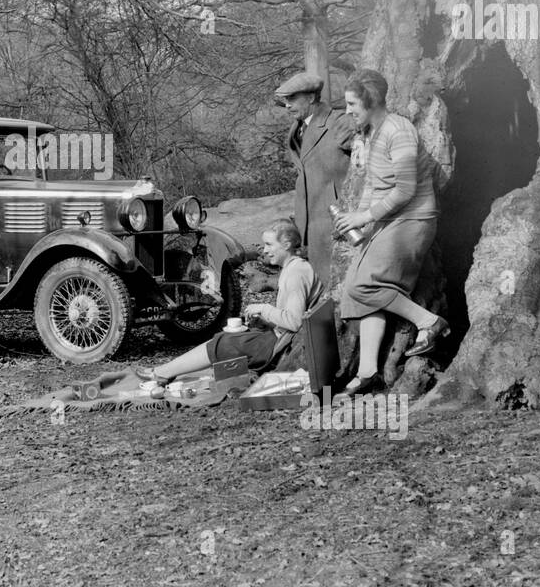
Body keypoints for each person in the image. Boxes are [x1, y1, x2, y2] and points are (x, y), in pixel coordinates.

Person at [333, 70, 448, 394]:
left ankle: (428, 322)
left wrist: (364, 217)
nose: (348, 110)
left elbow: (405, 190)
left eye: (352, 103)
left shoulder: (399, 131)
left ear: (369, 102)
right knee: (354, 288)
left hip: (414, 220)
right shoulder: (370, 132)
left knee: (367, 284)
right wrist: (363, 220)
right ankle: (368, 369)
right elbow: (373, 183)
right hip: (389, 221)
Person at [138, 220, 322, 385]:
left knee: (225, 342)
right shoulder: (295, 267)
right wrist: (266, 321)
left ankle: (163, 373)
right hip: (283, 338)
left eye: (269, 244)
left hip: (284, 346)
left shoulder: (296, 273)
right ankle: (165, 371)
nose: (264, 250)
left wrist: (264, 309)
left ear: (287, 244)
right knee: (226, 337)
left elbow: (295, 321)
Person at [275, 70, 355, 288]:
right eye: (285, 100)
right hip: (308, 226)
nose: (287, 105)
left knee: (341, 287)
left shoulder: (339, 122)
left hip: (337, 223)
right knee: (318, 290)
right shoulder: (296, 130)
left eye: (292, 98)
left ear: (311, 98)